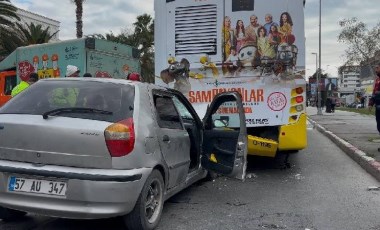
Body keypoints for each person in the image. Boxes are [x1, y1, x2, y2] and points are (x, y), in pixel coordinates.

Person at [368, 65, 380, 148]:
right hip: (378, 107)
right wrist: (370, 104)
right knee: (379, 126)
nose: (376, 70)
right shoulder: (377, 80)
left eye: (377, 68)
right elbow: (374, 93)